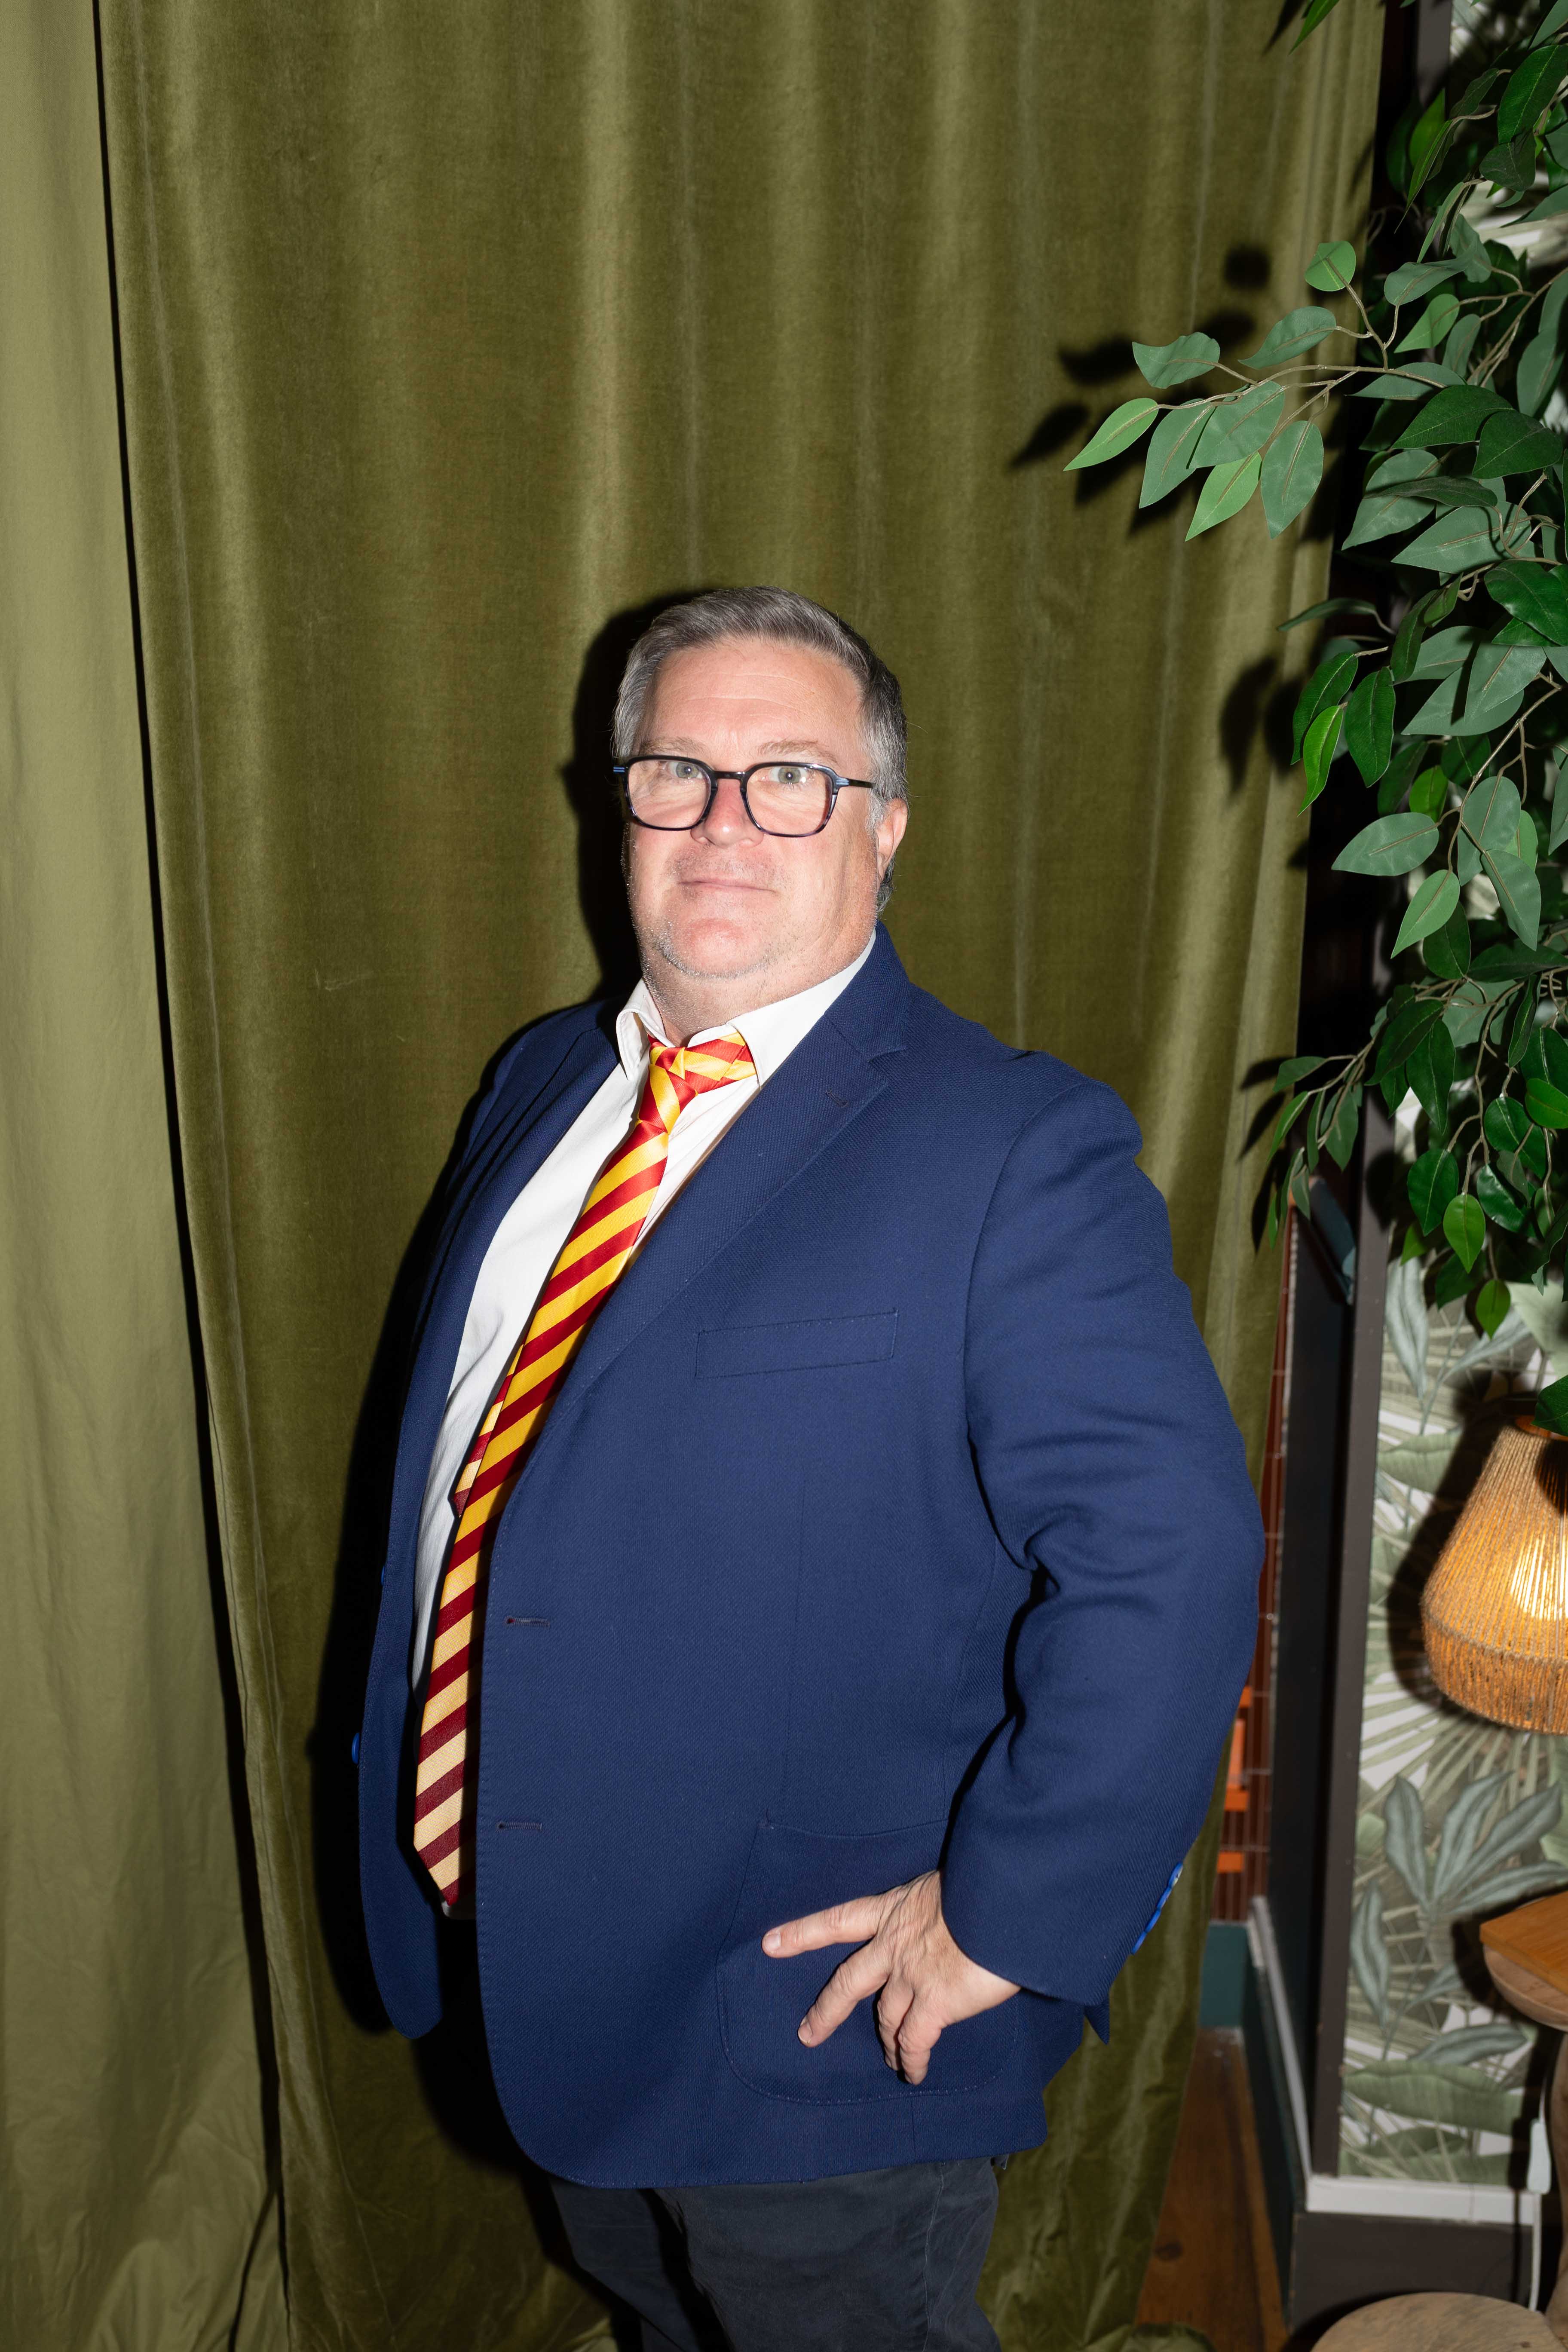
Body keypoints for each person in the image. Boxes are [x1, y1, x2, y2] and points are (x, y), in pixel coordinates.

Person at [358, 586, 1262, 2351]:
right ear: (619, 802)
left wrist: (1009, 1918)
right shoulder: (541, 1083)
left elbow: (1170, 1559)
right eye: (677, 773)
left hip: (811, 2026)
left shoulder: (1014, 1149)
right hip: (543, 1963)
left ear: (885, 826)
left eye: (790, 778)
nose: (723, 823)